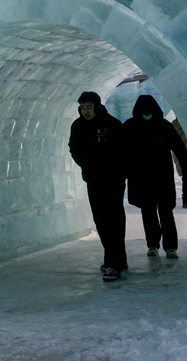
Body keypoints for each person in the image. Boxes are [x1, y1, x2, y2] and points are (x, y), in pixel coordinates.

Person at [68, 90, 128, 282]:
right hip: (93, 180)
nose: (86, 111)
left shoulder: (112, 125)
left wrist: (120, 172)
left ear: (97, 107)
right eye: (83, 107)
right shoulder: (78, 126)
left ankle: (113, 264)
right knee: (101, 220)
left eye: (89, 107)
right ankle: (118, 258)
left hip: (113, 180)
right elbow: (74, 147)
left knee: (114, 220)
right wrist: (85, 164)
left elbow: (125, 150)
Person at [122, 95, 187, 258]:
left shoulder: (163, 126)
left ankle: (170, 246)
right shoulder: (130, 126)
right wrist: (123, 171)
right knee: (148, 212)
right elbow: (121, 150)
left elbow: (179, 147)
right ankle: (153, 244)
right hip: (140, 177)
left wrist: (186, 167)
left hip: (162, 177)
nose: (147, 112)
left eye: (149, 109)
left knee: (166, 211)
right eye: (143, 109)